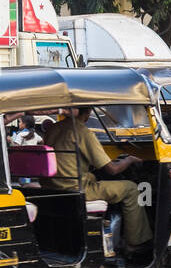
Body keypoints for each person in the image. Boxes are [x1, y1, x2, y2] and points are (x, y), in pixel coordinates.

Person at [42, 107, 152, 256]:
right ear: (87, 113)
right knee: (131, 189)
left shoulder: (53, 129)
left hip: (52, 187)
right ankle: (134, 243)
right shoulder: (82, 132)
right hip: (77, 189)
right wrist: (130, 159)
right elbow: (112, 169)